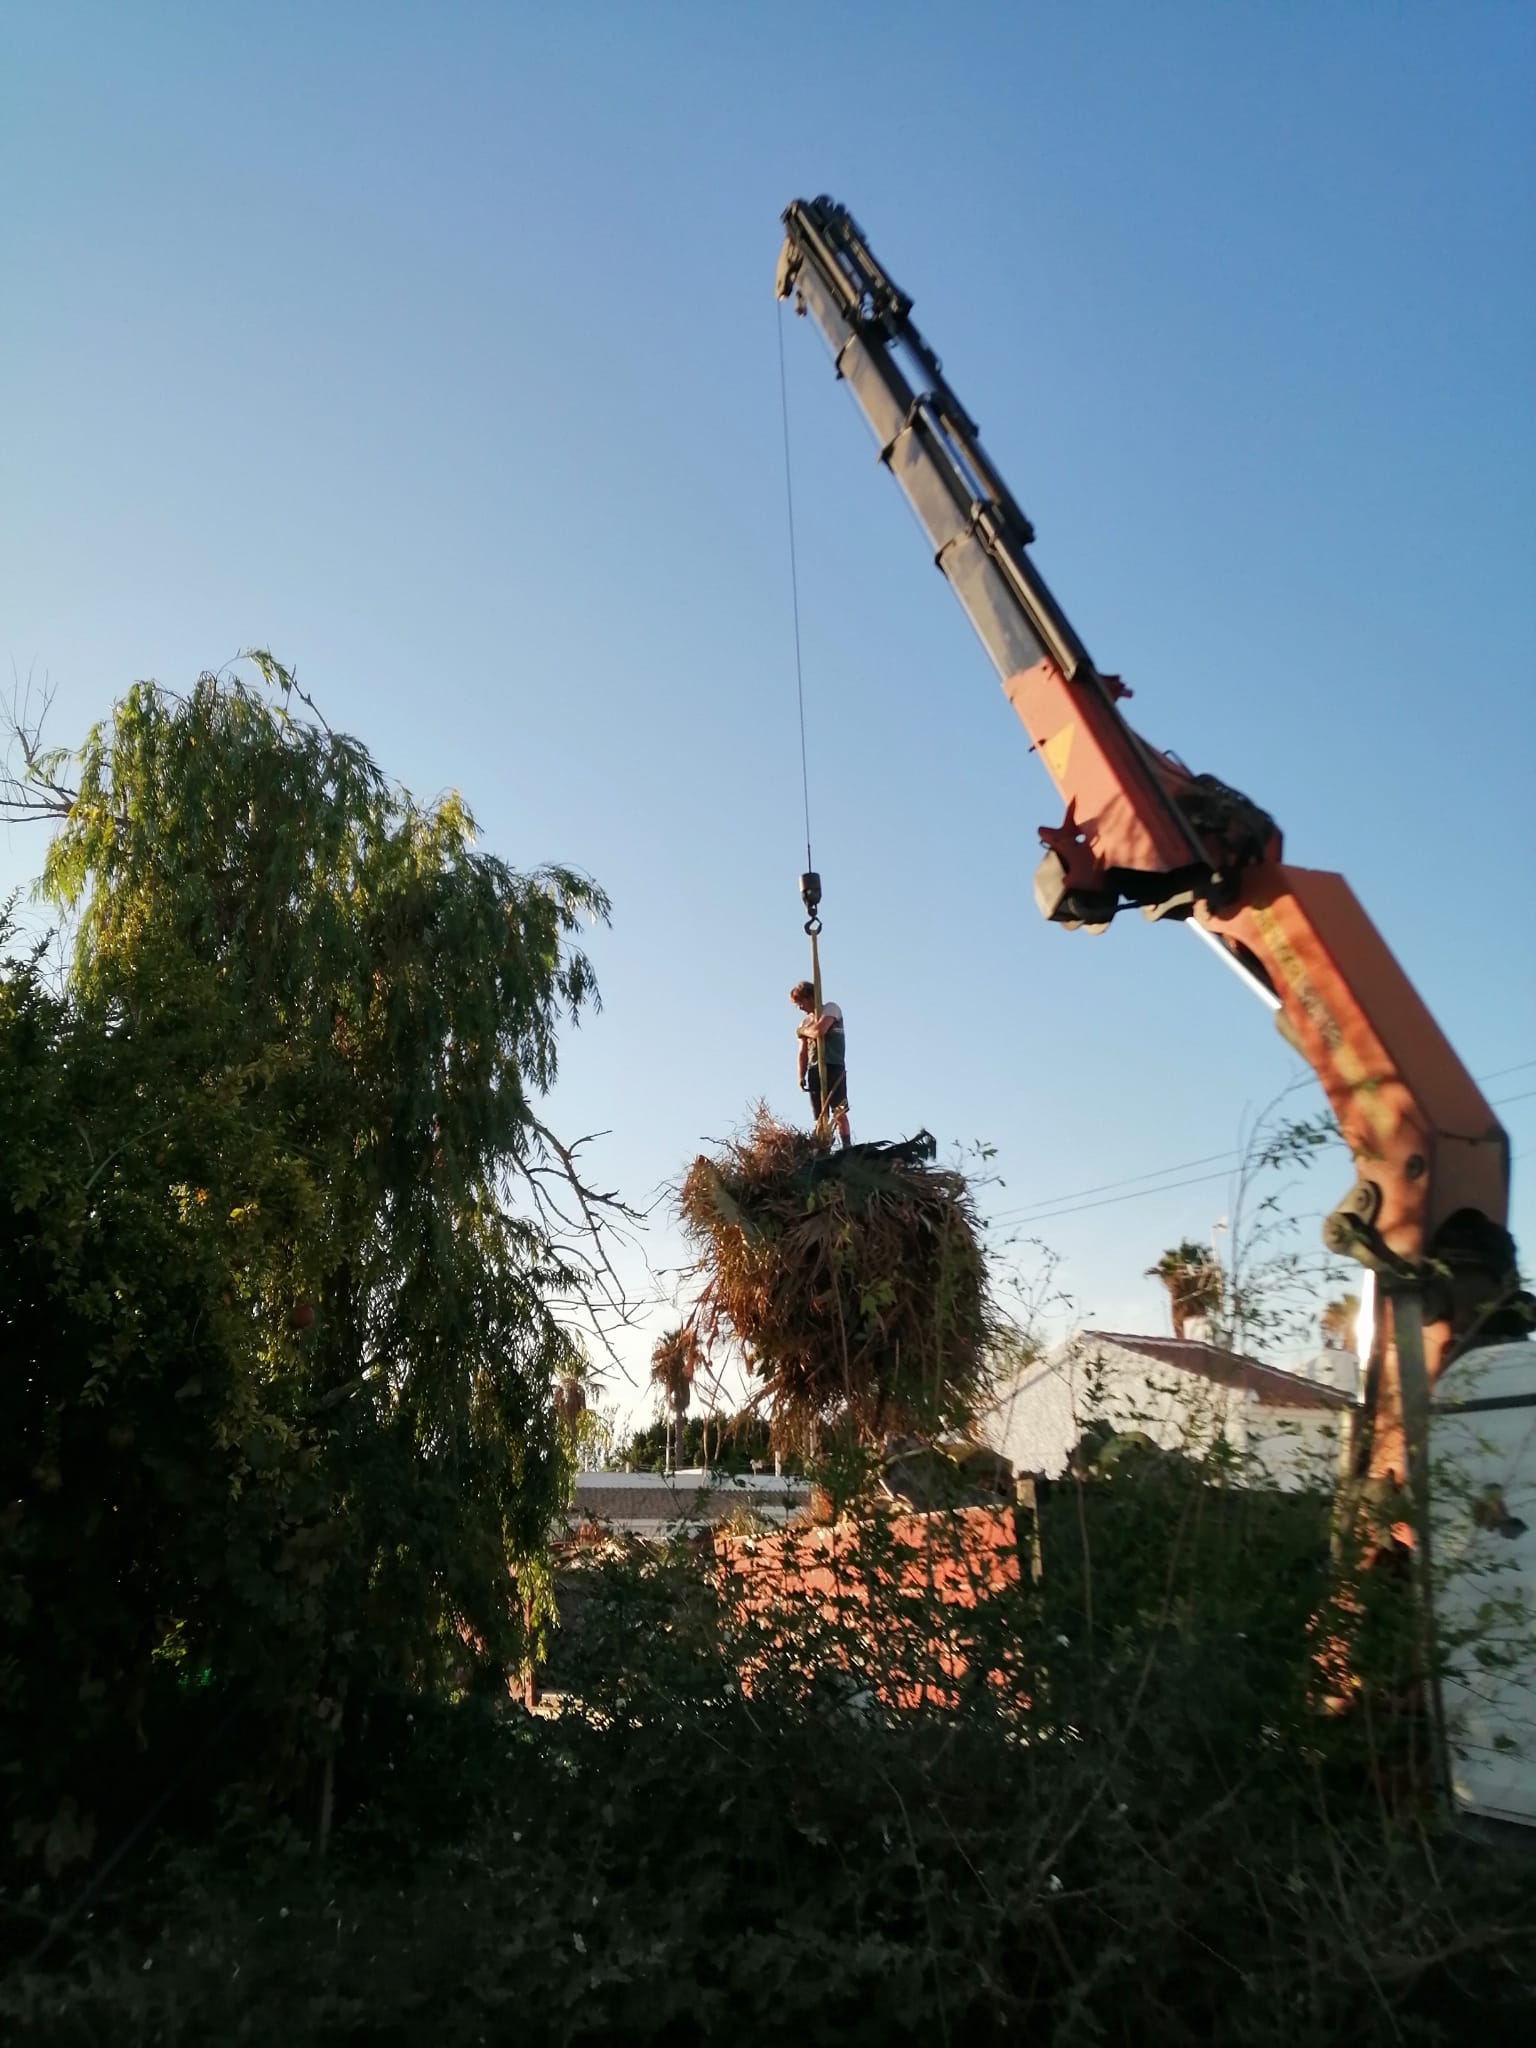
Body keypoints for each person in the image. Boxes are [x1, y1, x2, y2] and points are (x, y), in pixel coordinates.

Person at [790, 979, 850, 1147]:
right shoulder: (805, 1022)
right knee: (820, 1115)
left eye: (800, 1002)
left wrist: (803, 1031)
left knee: (839, 1110)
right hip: (814, 1068)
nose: (800, 1007)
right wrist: (801, 1076)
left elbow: (820, 1030)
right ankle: (823, 1145)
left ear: (810, 997)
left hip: (833, 1065)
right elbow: (802, 1053)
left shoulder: (831, 1008)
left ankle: (846, 1145)